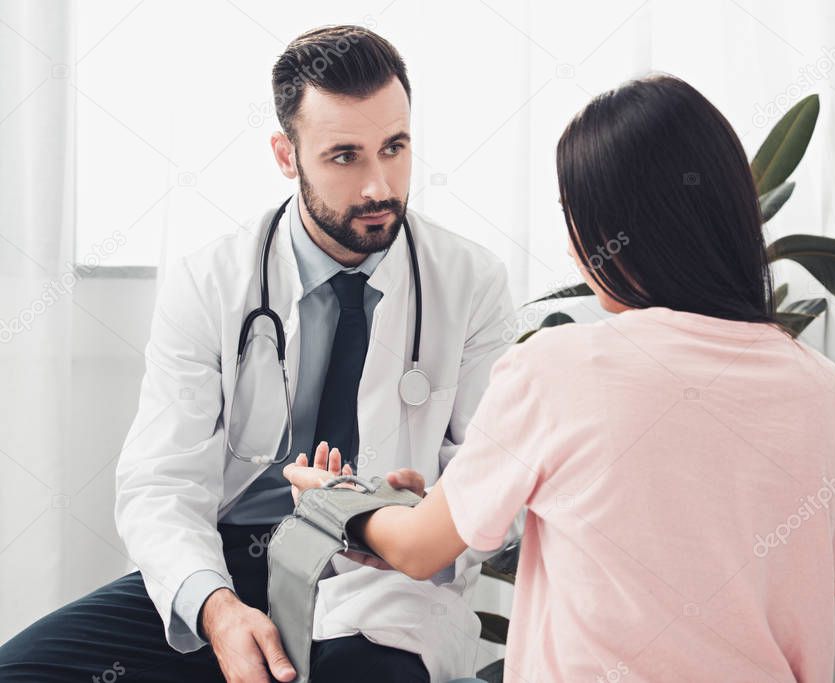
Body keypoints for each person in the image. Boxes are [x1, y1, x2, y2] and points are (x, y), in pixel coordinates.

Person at [286, 74, 835, 682]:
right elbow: (803, 593)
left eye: (572, 216)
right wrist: (451, 498)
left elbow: (418, 549)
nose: (573, 250)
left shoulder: (559, 366)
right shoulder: (833, 396)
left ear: (610, 234)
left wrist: (336, 503)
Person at [0, 25, 515, 682]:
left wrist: (416, 514)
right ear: (284, 153)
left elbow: (491, 492)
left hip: (377, 575)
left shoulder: (470, 282)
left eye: (394, 147)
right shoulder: (210, 279)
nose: (378, 186)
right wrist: (216, 608)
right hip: (233, 564)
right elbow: (162, 481)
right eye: (344, 156)